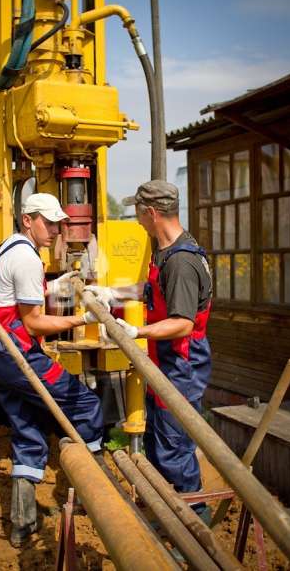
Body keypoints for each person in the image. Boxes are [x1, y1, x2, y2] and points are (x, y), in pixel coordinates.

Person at [84, 180, 212, 518]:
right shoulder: (167, 252)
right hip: (165, 364)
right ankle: (169, 520)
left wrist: (135, 330)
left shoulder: (182, 262)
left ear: (152, 213)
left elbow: (182, 322)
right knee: (160, 448)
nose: (137, 221)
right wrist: (114, 293)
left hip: (180, 367)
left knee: (174, 451)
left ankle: (197, 528)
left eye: (139, 214)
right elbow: (153, 289)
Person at [0, 192, 103, 547]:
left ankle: (22, 523)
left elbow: (16, 299)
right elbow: (33, 323)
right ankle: (89, 498)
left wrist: (55, 285)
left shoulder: (10, 248)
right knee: (84, 404)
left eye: (57, 223)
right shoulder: (27, 259)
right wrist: (83, 318)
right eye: (48, 222)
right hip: (16, 353)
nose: (55, 230)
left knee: (28, 427)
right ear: (27, 220)